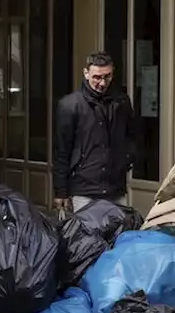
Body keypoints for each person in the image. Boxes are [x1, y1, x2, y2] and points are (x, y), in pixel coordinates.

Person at [52, 52, 137, 217]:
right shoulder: (70, 105)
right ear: (86, 73)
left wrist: (127, 159)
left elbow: (131, 135)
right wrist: (60, 191)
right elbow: (62, 150)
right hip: (84, 189)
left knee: (118, 237)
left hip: (115, 186)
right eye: (97, 77)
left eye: (107, 76)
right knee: (86, 240)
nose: (102, 82)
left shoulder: (121, 102)